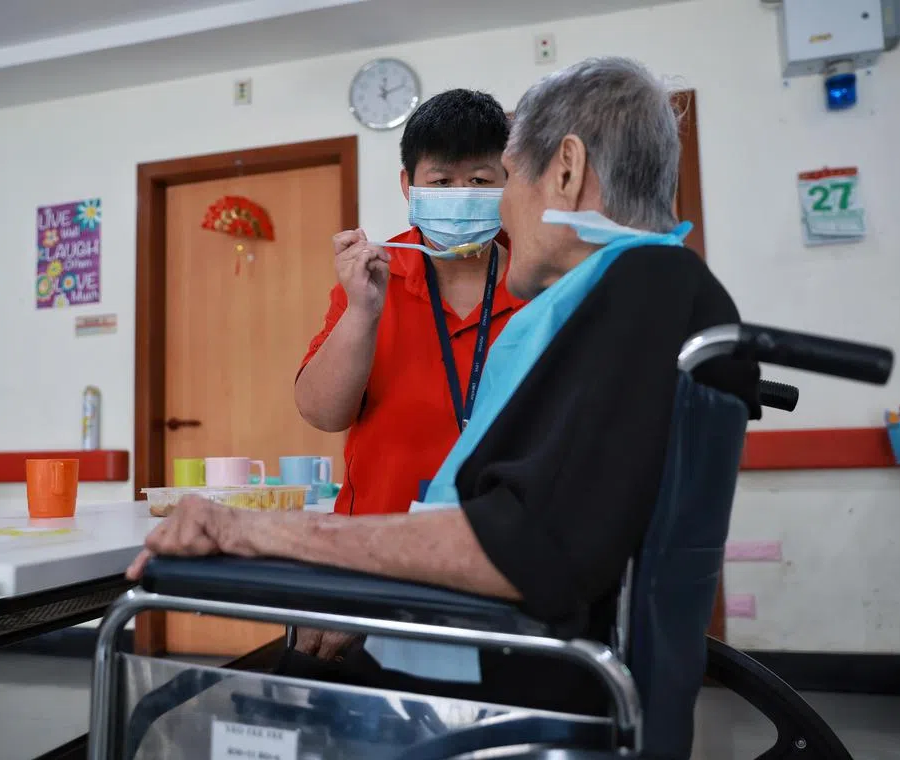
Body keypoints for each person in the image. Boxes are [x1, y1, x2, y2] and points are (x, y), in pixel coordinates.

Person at [129, 57, 760, 712]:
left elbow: (521, 548)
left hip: (498, 685)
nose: (501, 208)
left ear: (566, 170)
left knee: (179, 712)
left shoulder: (636, 295)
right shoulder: (637, 291)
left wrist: (249, 534)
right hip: (490, 650)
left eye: (506, 178)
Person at [294, 89, 524, 517]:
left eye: (479, 180)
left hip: (503, 542)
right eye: (441, 182)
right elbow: (322, 413)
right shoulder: (372, 275)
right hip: (378, 543)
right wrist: (363, 310)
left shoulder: (541, 281)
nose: (461, 195)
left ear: (508, 180)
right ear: (409, 186)